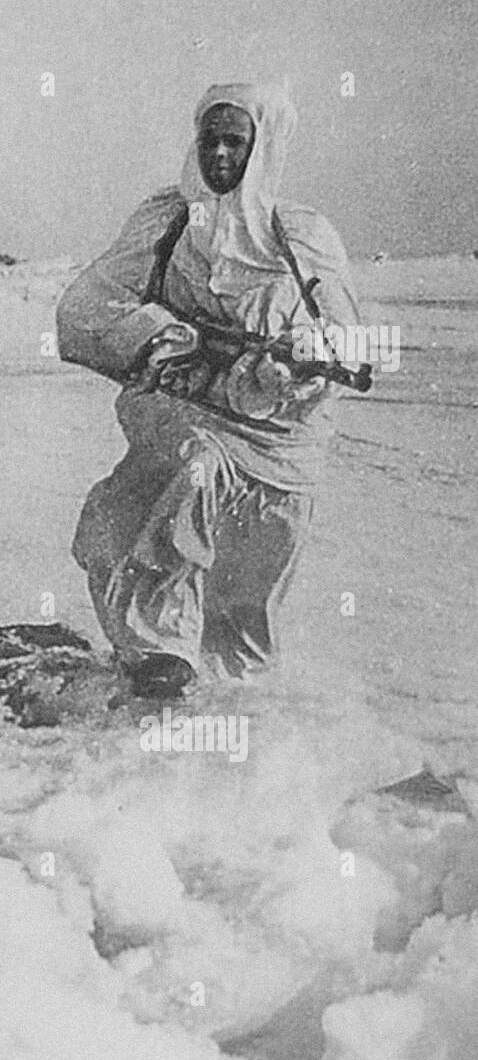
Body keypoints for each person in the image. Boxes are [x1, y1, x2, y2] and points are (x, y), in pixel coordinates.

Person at [57, 83, 360, 698]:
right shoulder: (166, 219)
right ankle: (159, 651)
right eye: (210, 139)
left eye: (236, 141)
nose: (220, 154)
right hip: (185, 407)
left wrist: (300, 362)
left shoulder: (303, 235)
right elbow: (85, 307)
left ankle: (233, 700)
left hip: (281, 436)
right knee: (193, 473)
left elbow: (346, 340)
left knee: (250, 587)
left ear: (264, 147)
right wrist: (160, 336)